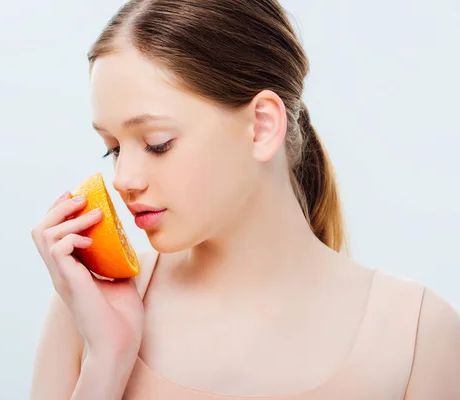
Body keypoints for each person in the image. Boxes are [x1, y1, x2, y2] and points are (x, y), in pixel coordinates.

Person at [29, 0, 460, 399]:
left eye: (157, 143)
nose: (123, 180)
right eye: (114, 149)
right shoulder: (88, 312)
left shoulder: (418, 335)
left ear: (261, 126)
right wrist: (107, 362)